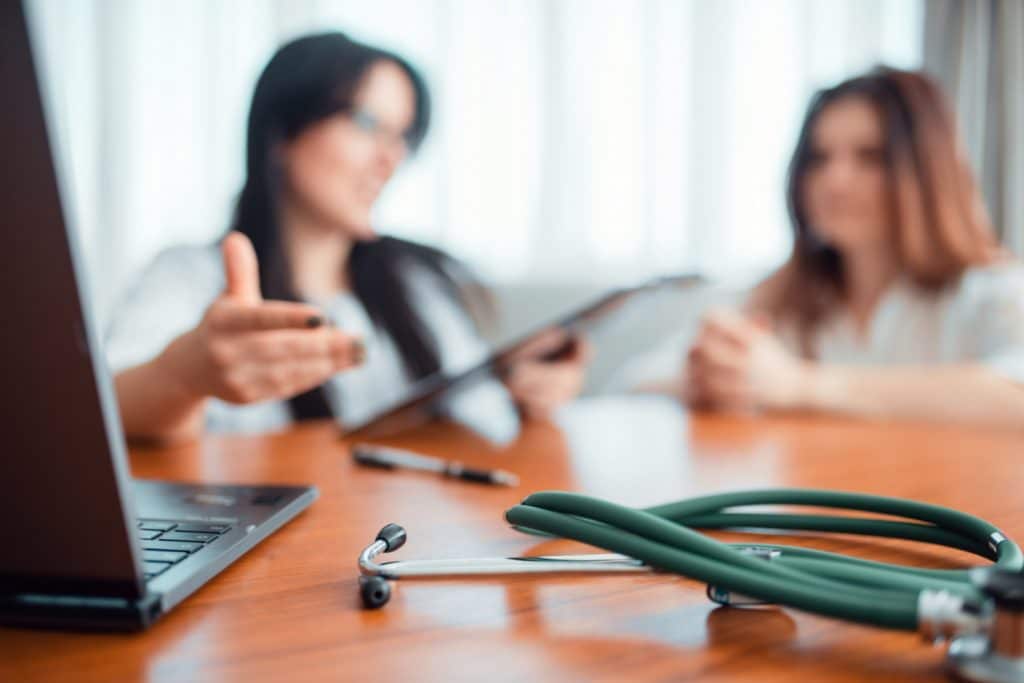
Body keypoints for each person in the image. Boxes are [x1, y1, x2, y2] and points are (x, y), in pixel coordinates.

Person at [107, 32, 588, 443]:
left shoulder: (418, 280)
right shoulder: (187, 278)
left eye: (404, 137)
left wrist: (530, 392)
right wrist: (182, 374)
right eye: (366, 124)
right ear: (282, 132)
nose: (391, 159)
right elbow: (107, 406)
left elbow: (483, 419)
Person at [617, 67, 1024, 428]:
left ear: (928, 173)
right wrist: (711, 375)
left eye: (870, 157)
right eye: (819, 158)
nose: (835, 181)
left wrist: (798, 384)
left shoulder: (991, 292)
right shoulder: (780, 296)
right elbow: (634, 381)